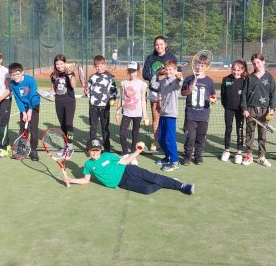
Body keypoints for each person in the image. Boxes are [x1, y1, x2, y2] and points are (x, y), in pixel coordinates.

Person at [62, 138, 195, 195]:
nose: (95, 152)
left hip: (129, 170)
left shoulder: (107, 155)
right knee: (147, 189)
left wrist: (137, 151)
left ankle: (182, 186)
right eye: (92, 150)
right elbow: (86, 180)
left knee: (154, 177)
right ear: (87, 151)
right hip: (122, 183)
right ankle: (169, 181)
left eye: (97, 150)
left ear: (100, 150)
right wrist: (71, 180)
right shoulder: (88, 165)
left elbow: (125, 161)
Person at [142, 36, 178, 152]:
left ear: (165, 45)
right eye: (157, 44)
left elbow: (176, 72)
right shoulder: (150, 58)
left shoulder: (171, 57)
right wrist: (157, 75)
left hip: (167, 92)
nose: (159, 46)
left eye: (161, 44)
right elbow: (145, 74)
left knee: (167, 117)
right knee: (156, 117)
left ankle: (167, 141)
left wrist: (165, 76)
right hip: (154, 91)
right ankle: (156, 141)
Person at [241, 53, 276, 167]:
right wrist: (245, 109)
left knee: (262, 135)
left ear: (263, 62)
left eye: (258, 62)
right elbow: (244, 94)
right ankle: (249, 155)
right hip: (250, 109)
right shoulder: (250, 78)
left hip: (264, 110)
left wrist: (272, 109)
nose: (256, 65)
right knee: (249, 133)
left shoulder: (269, 77)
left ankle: (261, 156)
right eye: (254, 63)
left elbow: (273, 94)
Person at [181, 54, 216, 166]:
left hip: (203, 115)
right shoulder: (188, 79)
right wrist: (189, 90)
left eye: (202, 65)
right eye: (198, 64)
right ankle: (187, 156)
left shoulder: (209, 81)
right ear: (194, 64)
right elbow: (183, 93)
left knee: (200, 138)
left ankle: (198, 156)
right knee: (190, 137)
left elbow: (212, 95)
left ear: (206, 66)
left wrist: (213, 100)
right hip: (190, 115)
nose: (199, 67)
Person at [115, 61, 149, 159]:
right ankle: (125, 152)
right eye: (129, 70)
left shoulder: (142, 84)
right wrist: (117, 112)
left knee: (135, 134)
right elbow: (121, 98)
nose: (131, 73)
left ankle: (133, 154)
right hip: (126, 112)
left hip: (138, 113)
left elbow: (143, 100)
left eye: (133, 71)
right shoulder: (123, 83)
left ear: (137, 71)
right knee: (122, 133)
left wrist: (145, 115)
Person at [155, 59, 183, 172]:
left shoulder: (175, 81)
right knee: (160, 138)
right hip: (163, 113)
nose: (168, 71)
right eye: (166, 69)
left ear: (175, 70)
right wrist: (157, 73)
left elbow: (179, 83)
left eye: (170, 69)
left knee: (169, 139)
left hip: (171, 115)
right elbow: (153, 84)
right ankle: (168, 157)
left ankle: (174, 162)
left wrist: (179, 77)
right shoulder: (163, 81)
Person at [9, 62, 40, 161]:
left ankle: (34, 150)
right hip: (24, 107)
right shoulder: (12, 84)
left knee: (33, 129)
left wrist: (30, 110)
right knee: (23, 128)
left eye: (17, 74)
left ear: (22, 72)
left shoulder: (30, 80)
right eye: (12, 75)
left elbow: (33, 96)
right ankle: (21, 149)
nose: (15, 77)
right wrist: (23, 112)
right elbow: (18, 99)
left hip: (34, 105)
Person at [86, 55, 117, 152]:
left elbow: (114, 90)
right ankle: (93, 147)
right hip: (93, 106)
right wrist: (86, 92)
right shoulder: (92, 77)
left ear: (104, 65)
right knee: (93, 128)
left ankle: (107, 148)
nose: (98, 68)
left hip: (105, 107)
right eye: (97, 66)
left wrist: (113, 98)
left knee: (105, 128)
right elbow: (88, 91)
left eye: (100, 65)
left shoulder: (109, 77)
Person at [220, 60, 248, 164]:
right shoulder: (226, 79)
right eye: (234, 69)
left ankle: (239, 153)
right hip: (228, 109)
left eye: (238, 70)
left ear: (242, 70)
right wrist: (225, 105)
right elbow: (223, 94)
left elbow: (246, 96)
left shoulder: (245, 80)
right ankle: (226, 150)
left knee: (240, 130)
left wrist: (244, 108)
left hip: (240, 110)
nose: (235, 72)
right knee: (228, 129)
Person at [50, 54, 77, 155]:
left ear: (65, 63)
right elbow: (53, 88)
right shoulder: (54, 75)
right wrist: (51, 93)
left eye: (61, 64)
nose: (59, 66)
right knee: (63, 126)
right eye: (57, 64)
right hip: (59, 102)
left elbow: (73, 86)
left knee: (69, 124)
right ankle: (65, 146)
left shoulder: (70, 73)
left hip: (69, 101)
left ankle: (70, 147)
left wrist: (69, 73)